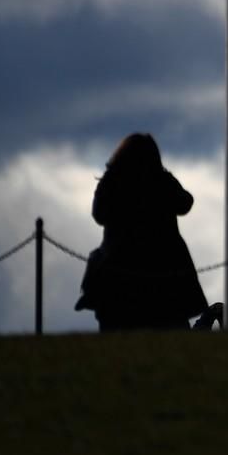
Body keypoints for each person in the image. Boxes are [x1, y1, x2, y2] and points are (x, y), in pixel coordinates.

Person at [74, 133, 210, 331]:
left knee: (118, 331)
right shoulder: (161, 181)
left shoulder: (112, 181)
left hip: (119, 269)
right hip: (163, 269)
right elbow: (185, 203)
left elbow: (99, 214)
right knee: (169, 330)